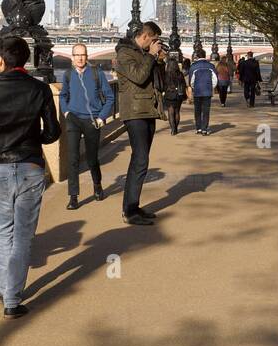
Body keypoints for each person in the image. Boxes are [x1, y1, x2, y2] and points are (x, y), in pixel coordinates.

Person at [0, 36, 59, 317]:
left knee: (3, 231)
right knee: (23, 235)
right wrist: (35, 138)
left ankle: (5, 288)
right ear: (26, 60)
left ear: (0, 61)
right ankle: (11, 298)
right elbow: (53, 132)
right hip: (31, 165)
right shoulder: (40, 89)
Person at [115, 22, 165, 225]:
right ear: (145, 36)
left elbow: (157, 81)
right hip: (134, 112)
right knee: (141, 160)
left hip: (147, 110)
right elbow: (139, 76)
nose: (155, 45)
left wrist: (159, 61)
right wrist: (151, 56)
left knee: (140, 160)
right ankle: (129, 210)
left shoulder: (144, 54)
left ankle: (133, 207)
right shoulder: (125, 54)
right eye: (154, 41)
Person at [58, 43, 115, 210]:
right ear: (72, 57)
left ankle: (97, 185)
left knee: (92, 158)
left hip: (92, 121)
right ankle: (73, 196)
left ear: (87, 56)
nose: (80, 58)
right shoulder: (68, 74)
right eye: (77, 55)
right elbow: (63, 95)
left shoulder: (97, 74)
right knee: (73, 158)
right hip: (73, 120)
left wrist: (101, 117)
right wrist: (67, 112)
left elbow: (110, 97)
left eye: (83, 55)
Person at [188, 48, 216, 135]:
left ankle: (198, 128)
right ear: (205, 55)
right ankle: (205, 128)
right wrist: (211, 87)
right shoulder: (211, 66)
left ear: (197, 56)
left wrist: (194, 87)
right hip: (207, 91)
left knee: (197, 110)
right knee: (206, 111)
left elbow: (191, 81)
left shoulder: (193, 66)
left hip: (197, 91)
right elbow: (215, 79)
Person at [163, 50, 189, 135]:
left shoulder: (166, 74)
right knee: (177, 111)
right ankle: (176, 128)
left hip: (169, 94)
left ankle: (173, 129)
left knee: (171, 112)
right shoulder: (180, 74)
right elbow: (184, 84)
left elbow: (164, 85)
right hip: (179, 94)